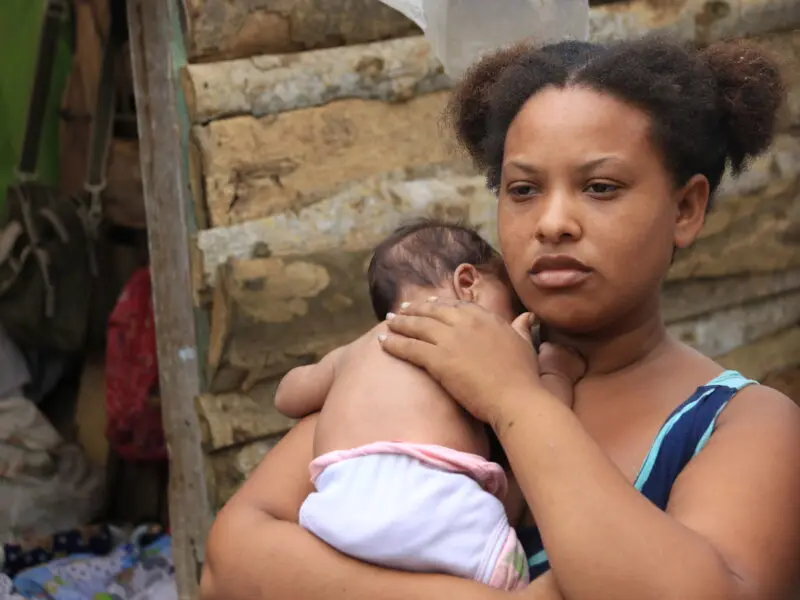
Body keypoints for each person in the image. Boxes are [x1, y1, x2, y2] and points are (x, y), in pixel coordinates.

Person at [200, 36, 800, 600]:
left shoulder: (742, 426)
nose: (552, 222)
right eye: (522, 190)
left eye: (600, 187)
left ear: (687, 208)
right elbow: (229, 564)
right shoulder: (434, 357)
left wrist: (517, 404)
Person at [273, 220, 585, 590]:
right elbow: (538, 412)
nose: (521, 324)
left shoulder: (358, 349)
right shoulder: (478, 346)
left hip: (337, 515)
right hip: (437, 511)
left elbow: (288, 396)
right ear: (468, 284)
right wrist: (556, 373)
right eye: (515, 308)